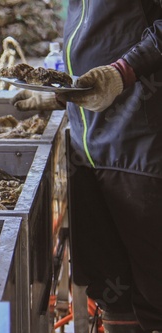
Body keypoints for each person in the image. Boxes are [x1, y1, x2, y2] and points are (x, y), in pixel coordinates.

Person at [10, 1, 162, 332]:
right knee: (111, 289)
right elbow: (99, 34)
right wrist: (64, 92)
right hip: (88, 147)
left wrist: (123, 71)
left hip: (142, 147)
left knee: (156, 291)